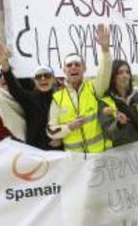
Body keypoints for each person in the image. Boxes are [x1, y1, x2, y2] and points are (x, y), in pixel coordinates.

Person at [47, 24, 112, 153]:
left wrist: (105, 50)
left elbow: (105, 71)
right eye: (69, 65)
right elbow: (51, 131)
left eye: (77, 64)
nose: (73, 67)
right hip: (75, 164)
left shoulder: (94, 87)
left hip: (99, 157)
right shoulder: (57, 98)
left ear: (84, 69)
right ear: (64, 70)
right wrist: (69, 127)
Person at [0, 42, 61, 150]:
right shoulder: (29, 98)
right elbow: (14, 87)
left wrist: (61, 137)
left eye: (46, 75)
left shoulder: (62, 99)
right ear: (34, 80)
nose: (43, 79)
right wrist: (4, 63)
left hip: (58, 152)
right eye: (39, 76)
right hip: (34, 152)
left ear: (53, 79)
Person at [99, 60, 138, 147]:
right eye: (120, 72)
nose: (125, 75)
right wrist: (118, 124)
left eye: (127, 72)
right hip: (119, 154)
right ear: (112, 77)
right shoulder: (105, 102)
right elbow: (108, 133)